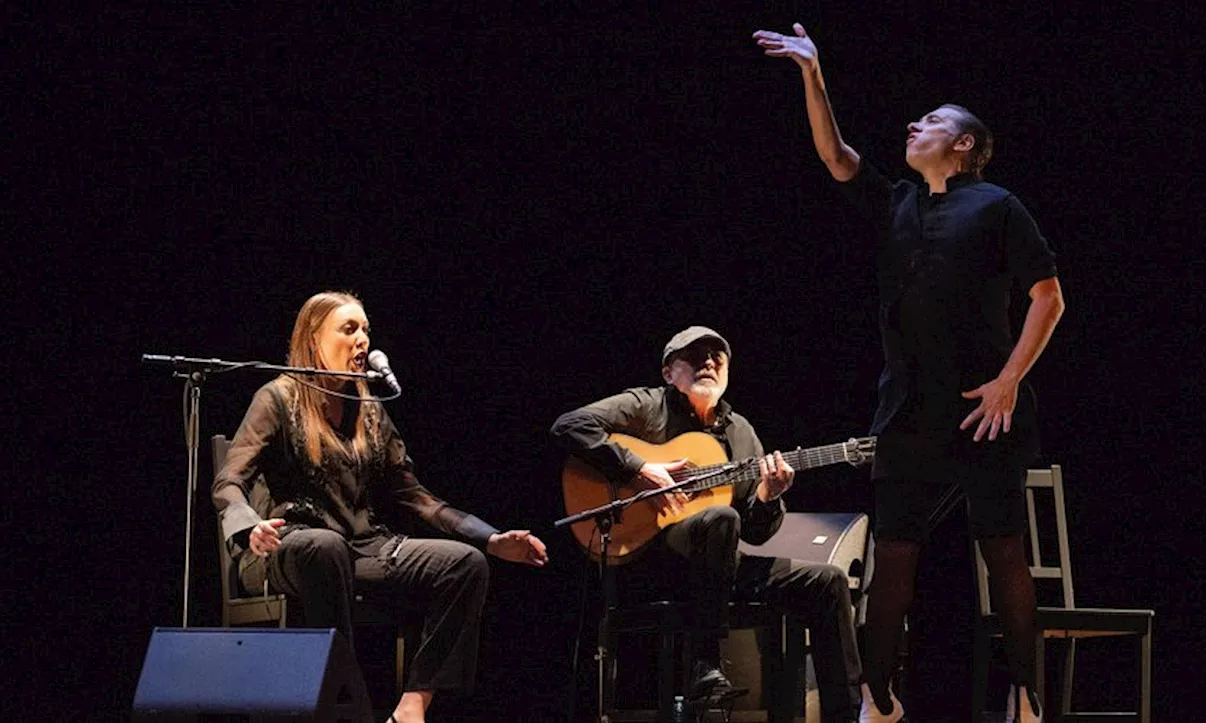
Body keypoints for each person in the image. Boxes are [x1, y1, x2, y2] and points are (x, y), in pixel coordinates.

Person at [754, 24, 1066, 723]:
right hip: (907, 412)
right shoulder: (897, 200)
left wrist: (1011, 376)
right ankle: (880, 699)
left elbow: (1049, 297)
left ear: (962, 144)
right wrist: (813, 74)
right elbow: (836, 158)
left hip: (982, 409)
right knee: (894, 557)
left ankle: (1027, 694)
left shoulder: (997, 205)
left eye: (930, 121)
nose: (912, 124)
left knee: (1003, 554)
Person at [212, 291, 548, 723]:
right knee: (323, 546)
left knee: (465, 564)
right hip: (287, 543)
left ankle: (412, 706)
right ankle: (347, 709)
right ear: (314, 338)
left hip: (362, 548)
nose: (363, 340)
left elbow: (414, 495)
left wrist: (491, 538)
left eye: (366, 330)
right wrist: (249, 527)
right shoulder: (278, 397)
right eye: (349, 329)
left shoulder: (368, 407)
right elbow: (229, 479)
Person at [550, 326, 863, 722]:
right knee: (720, 517)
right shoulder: (646, 406)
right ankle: (706, 666)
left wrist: (769, 495)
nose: (709, 363)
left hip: (719, 567)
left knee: (828, 581)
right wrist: (640, 469)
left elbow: (755, 531)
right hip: (649, 560)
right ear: (668, 372)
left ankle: (846, 714)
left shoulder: (740, 432)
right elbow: (569, 426)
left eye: (718, 357)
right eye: (696, 356)